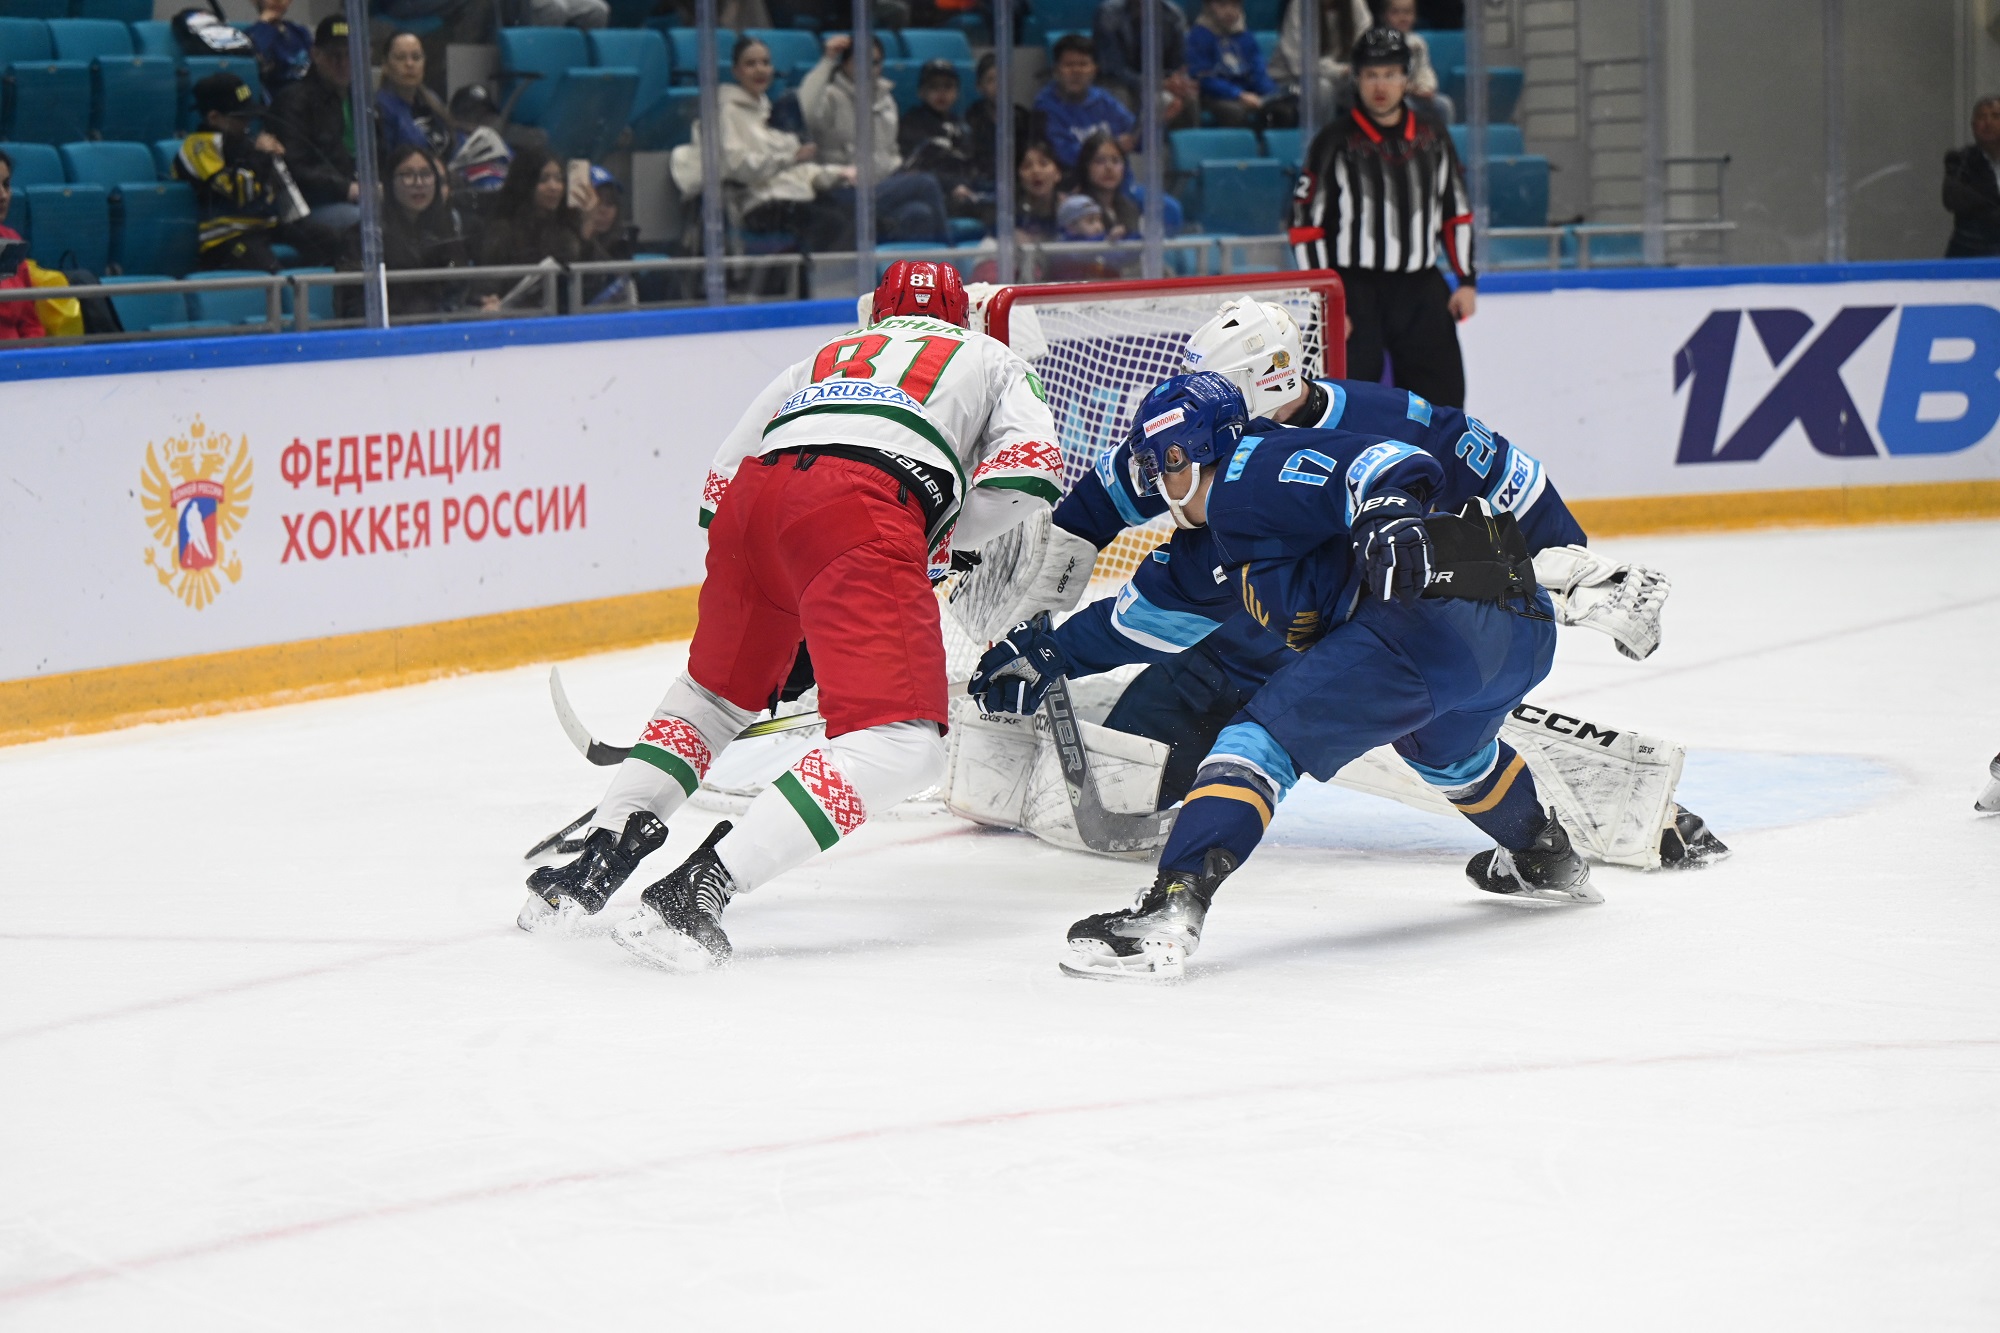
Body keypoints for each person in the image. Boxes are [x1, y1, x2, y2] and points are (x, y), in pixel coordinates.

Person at [945, 299, 1713, 878]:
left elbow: (1516, 490)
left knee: (1437, 730)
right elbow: (1116, 499)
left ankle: (1622, 809)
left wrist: (1558, 574)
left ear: (1259, 385)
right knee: (1146, 769)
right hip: (1231, 643)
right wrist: (1052, 596)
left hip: (1363, 645)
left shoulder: (1389, 426)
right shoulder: (1213, 436)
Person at [519, 262, 1067, 973]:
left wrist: (792, 591)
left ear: (877, 313)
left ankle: (590, 866)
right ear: (962, 314)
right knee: (903, 745)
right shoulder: (989, 354)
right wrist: (928, 539)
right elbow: (1032, 471)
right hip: (864, 511)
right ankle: (699, 886)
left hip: (752, 510)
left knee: (712, 698)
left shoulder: (827, 355)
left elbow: (718, 489)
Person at [969, 372, 1587, 982]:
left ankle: (1169, 910)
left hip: (1424, 624)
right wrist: (1046, 655)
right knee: (1453, 758)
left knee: (1255, 743)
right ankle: (1544, 853)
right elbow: (1136, 625)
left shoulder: (1255, 467)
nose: (1156, 484)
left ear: (1184, 456)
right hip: (1517, 634)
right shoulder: (1209, 547)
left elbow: (1385, 461)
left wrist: (1388, 511)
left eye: (1159, 466)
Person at [1291, 28, 1477, 407]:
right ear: (1356, 79)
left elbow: (1455, 211)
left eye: (1390, 74)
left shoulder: (1433, 136)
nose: (1381, 85)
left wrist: (1466, 281)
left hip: (1421, 288)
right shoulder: (1333, 142)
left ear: (1406, 78)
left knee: (1443, 405)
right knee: (1341, 404)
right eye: (1371, 75)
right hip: (1353, 289)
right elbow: (1305, 227)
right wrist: (1327, 300)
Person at [669, 36, 852, 254]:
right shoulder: (727, 112)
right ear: (736, 71)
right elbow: (737, 166)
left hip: (788, 195)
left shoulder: (767, 111)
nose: (760, 70)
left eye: (765, 63)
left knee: (848, 209)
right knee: (833, 222)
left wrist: (837, 173)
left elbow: (795, 169)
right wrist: (791, 157)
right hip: (757, 204)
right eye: (751, 64)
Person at [175, 71, 345, 270]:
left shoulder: (246, 141)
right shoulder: (199, 147)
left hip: (266, 225)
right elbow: (239, 193)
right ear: (214, 118)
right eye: (241, 118)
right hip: (227, 234)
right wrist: (261, 156)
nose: (248, 123)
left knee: (329, 239)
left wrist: (275, 160)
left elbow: (271, 188)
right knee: (269, 269)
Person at [800, 33, 949, 242]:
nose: (868, 69)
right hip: (841, 191)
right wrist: (827, 60)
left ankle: (894, 263)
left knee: (919, 214)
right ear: (844, 63)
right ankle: (950, 252)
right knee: (926, 183)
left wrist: (900, 171)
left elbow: (890, 151)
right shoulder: (830, 97)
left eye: (875, 63)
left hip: (881, 188)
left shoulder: (886, 100)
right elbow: (804, 110)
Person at [268, 17, 360, 241]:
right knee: (368, 222)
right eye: (334, 55)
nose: (343, 63)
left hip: (357, 198)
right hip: (311, 208)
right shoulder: (293, 102)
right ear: (315, 55)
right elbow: (294, 167)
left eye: (349, 55)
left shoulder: (363, 102)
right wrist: (346, 188)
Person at [379, 143, 490, 316]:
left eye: (426, 174)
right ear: (389, 182)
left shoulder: (446, 231)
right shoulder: (369, 236)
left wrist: (479, 301)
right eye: (407, 175)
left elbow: (458, 288)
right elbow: (356, 304)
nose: (418, 183)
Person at [1032, 34, 1136, 171]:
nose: (1076, 71)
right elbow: (1063, 155)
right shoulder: (1045, 107)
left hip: (1119, 182)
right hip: (1073, 182)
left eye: (1083, 64)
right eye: (1069, 65)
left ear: (1094, 70)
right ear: (1056, 71)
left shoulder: (1104, 100)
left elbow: (1136, 136)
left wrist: (1155, 121)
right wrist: (1114, 147)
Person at [1091, 0, 1198, 126]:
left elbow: (1177, 63)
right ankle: (1126, 137)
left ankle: (1181, 138)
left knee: (1189, 96)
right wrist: (1158, 83)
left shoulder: (1173, 14)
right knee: (1120, 96)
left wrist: (1176, 80)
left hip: (1158, 80)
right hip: (1119, 82)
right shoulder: (1108, 13)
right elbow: (1113, 68)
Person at [1188, 0, 1288, 130]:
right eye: (1222, 5)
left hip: (1248, 93)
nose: (1229, 11)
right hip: (1215, 96)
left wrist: (1272, 95)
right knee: (1235, 112)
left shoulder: (1245, 36)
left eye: (1235, 5)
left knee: (1283, 109)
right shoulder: (1199, 36)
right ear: (1208, 7)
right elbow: (1204, 78)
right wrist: (1238, 94)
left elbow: (1258, 72)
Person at [1269, 0, 1371, 109]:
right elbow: (1299, 65)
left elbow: (1366, 47)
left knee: (1363, 84)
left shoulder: (1355, 3)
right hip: (1293, 79)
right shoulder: (1300, 4)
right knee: (1323, 88)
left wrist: (1354, 69)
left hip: (1339, 78)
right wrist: (1340, 71)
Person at [374, 33, 453, 161]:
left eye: (416, 57)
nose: (409, 64)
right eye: (400, 58)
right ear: (385, 65)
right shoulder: (380, 109)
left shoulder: (433, 101)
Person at [1943, 95, 2000, 258]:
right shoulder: (1959, 160)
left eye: (1995, 116)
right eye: (1982, 117)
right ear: (1974, 126)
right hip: (1971, 250)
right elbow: (1953, 198)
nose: (1988, 123)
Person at [0, 148, 46, 342]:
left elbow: (29, 321)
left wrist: (33, 354)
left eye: (6, 185)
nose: (3, 195)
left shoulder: (10, 239)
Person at [1379, 0, 1451, 122]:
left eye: (1407, 12)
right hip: (1390, 98)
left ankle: (1442, 134)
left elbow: (1424, 70)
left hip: (1415, 95)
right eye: (1395, 12)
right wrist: (1410, 89)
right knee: (1405, 106)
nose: (1402, 17)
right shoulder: (1380, 43)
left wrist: (1426, 88)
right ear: (1385, 16)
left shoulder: (1418, 43)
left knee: (1444, 105)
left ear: (1414, 15)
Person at [1069, 130, 1141, 240]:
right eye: (1099, 161)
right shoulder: (1076, 209)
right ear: (1086, 166)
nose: (1109, 168)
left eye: (1115, 161)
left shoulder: (1130, 208)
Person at [244, 0, 312, 93]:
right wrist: (264, 24)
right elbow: (260, 63)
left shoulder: (300, 32)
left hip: (308, 94)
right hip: (277, 97)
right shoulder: (250, 35)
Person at [1014, 138, 1064, 242]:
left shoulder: (1072, 209)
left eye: (1043, 164)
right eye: (1027, 166)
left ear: (1058, 173)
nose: (1036, 171)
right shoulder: (1010, 215)